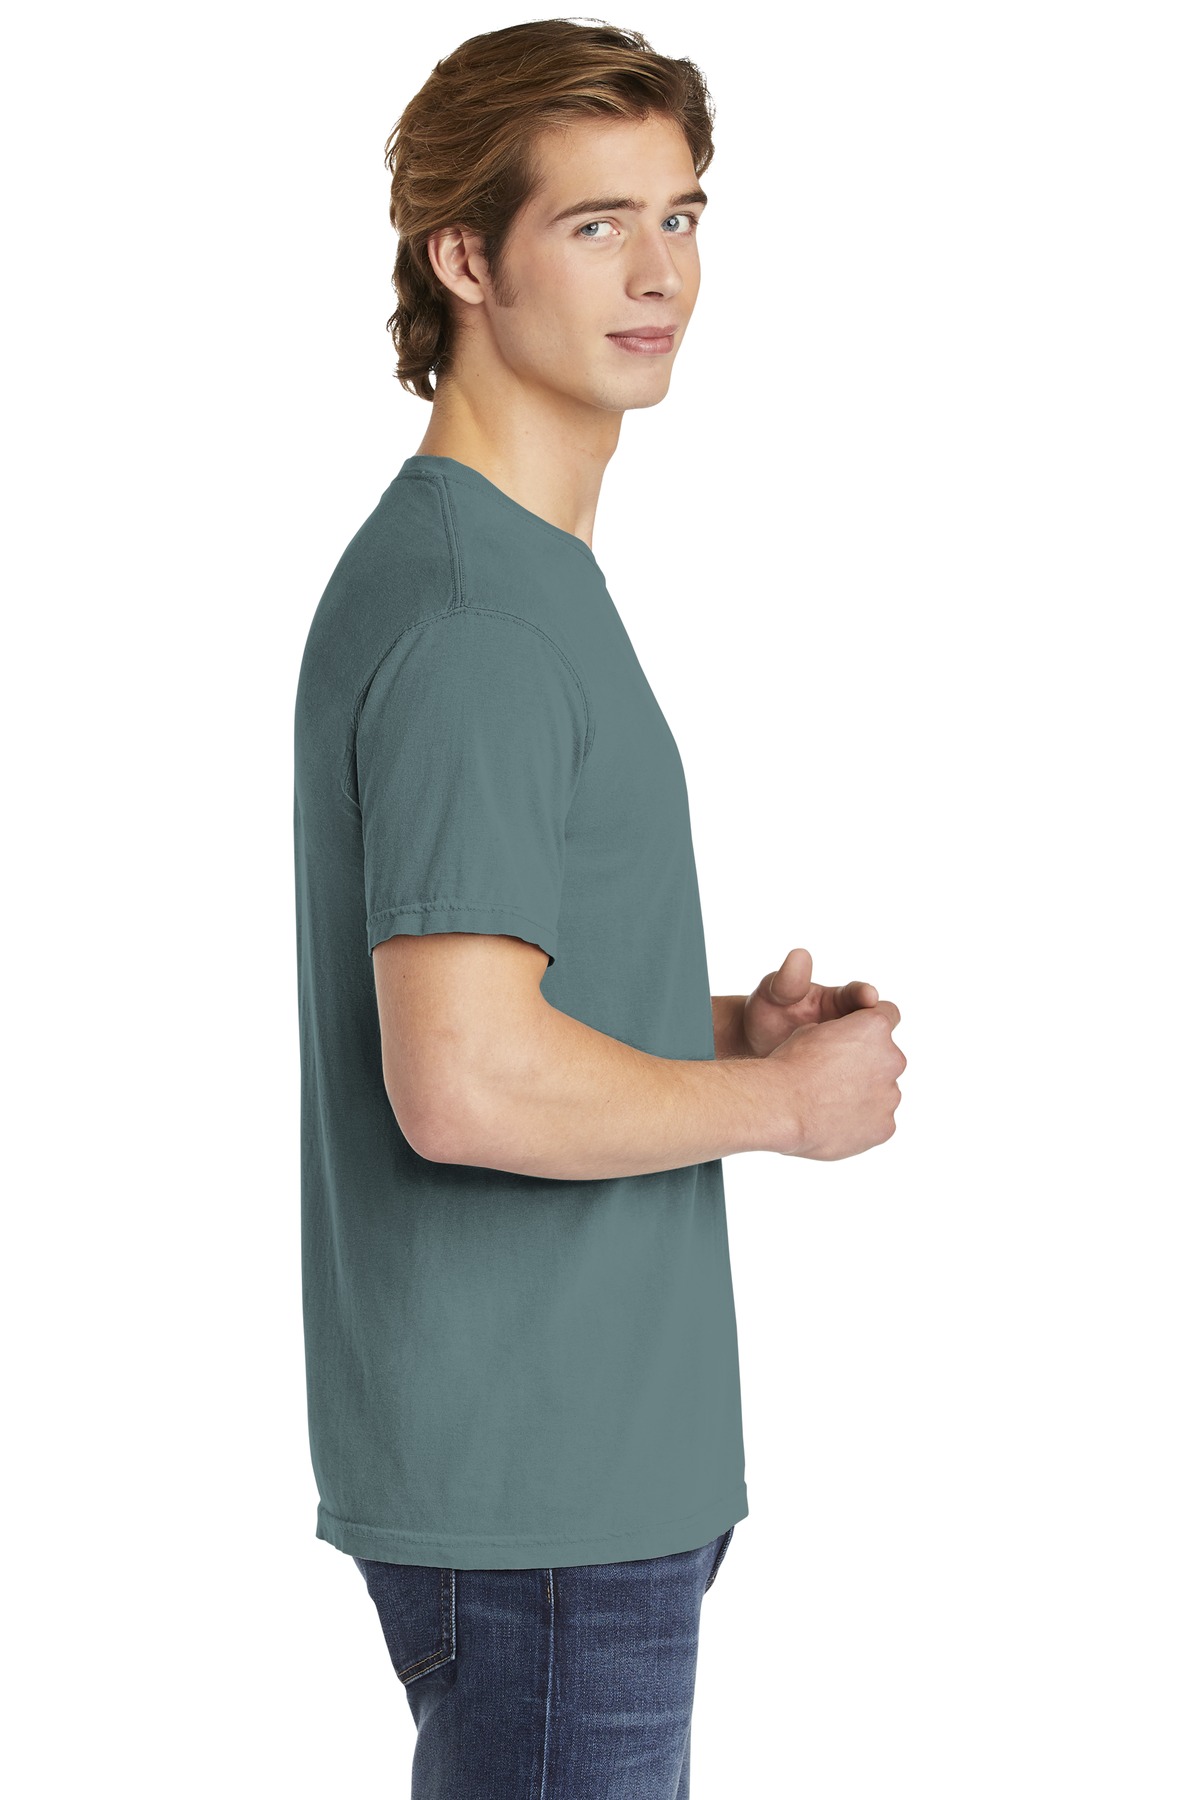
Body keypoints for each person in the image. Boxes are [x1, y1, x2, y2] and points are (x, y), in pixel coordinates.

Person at [291, 18, 905, 1797]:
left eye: (683, 214)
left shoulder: (516, 574)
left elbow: (486, 989)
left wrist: (716, 1029)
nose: (662, 274)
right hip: (544, 1493)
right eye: (594, 224)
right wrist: (784, 1108)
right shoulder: (476, 619)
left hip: (577, 1478)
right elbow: (462, 1080)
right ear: (463, 259)